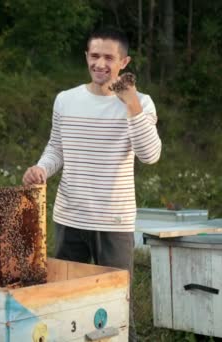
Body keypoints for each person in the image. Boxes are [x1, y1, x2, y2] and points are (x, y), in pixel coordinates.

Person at [22, 27, 161, 341]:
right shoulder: (66, 100)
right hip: (69, 217)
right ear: (87, 57)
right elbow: (56, 147)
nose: (100, 63)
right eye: (94, 55)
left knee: (115, 306)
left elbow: (150, 155)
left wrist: (131, 105)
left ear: (124, 61)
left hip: (115, 221)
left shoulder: (142, 103)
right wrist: (41, 169)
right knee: (64, 302)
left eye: (108, 57)